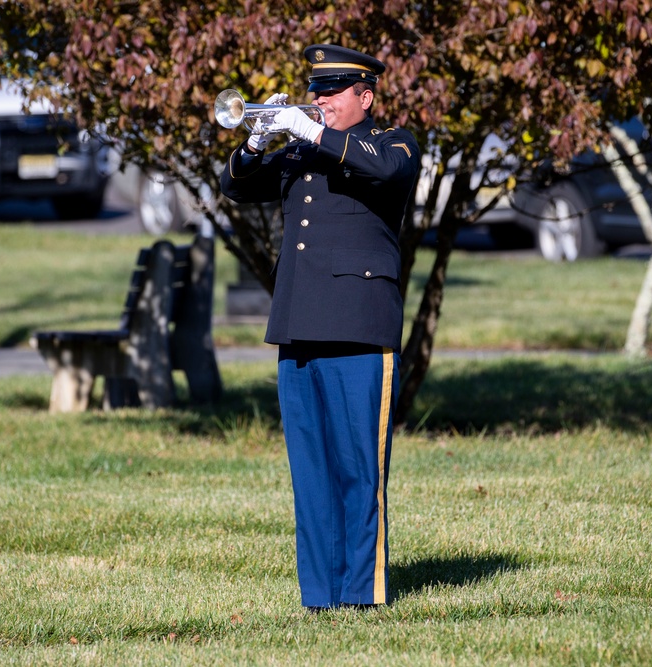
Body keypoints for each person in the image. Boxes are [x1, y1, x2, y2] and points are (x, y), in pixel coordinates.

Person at [220, 44, 420, 610]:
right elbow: (235, 187)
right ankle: (320, 597)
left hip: (360, 325)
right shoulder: (301, 154)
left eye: (333, 91)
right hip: (300, 324)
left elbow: (379, 170)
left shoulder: (393, 143)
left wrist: (309, 134)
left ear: (366, 96)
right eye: (317, 91)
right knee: (310, 475)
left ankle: (362, 594)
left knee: (360, 469)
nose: (320, 100)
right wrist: (257, 142)